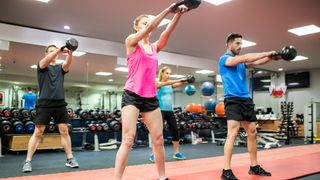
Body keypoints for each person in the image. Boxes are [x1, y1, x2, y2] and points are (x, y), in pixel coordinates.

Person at [114, 3, 188, 180]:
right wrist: (168, 9)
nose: (147, 25)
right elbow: (152, 26)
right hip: (132, 95)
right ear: (136, 27)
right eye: (144, 23)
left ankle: (162, 177)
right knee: (128, 139)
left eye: (148, 22)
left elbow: (166, 33)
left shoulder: (154, 48)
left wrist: (178, 14)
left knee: (159, 139)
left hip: (150, 98)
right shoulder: (131, 41)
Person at [219, 33, 279, 180]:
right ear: (229, 44)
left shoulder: (240, 63)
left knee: (252, 132)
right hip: (232, 100)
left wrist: (273, 57)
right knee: (232, 133)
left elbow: (256, 62)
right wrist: (266, 52)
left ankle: (254, 166)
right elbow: (245, 58)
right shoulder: (225, 59)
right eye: (237, 43)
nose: (240, 46)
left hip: (246, 99)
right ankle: (226, 171)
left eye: (241, 44)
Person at [22, 44, 79, 172]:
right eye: (51, 51)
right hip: (45, 103)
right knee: (38, 132)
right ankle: (28, 161)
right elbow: (47, 60)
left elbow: (68, 64)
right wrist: (59, 50)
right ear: (46, 53)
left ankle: (70, 159)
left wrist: (70, 53)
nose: (54, 53)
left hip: (60, 103)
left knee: (64, 130)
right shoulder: (42, 65)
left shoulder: (60, 67)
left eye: (55, 51)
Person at [149, 66, 187, 163]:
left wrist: (187, 80)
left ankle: (176, 152)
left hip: (169, 111)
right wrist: (179, 79)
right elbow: (169, 83)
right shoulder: (158, 83)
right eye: (167, 73)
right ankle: (154, 153)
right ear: (161, 73)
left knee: (175, 130)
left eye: (170, 73)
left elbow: (180, 84)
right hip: (160, 111)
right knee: (158, 133)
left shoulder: (170, 85)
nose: (168, 75)